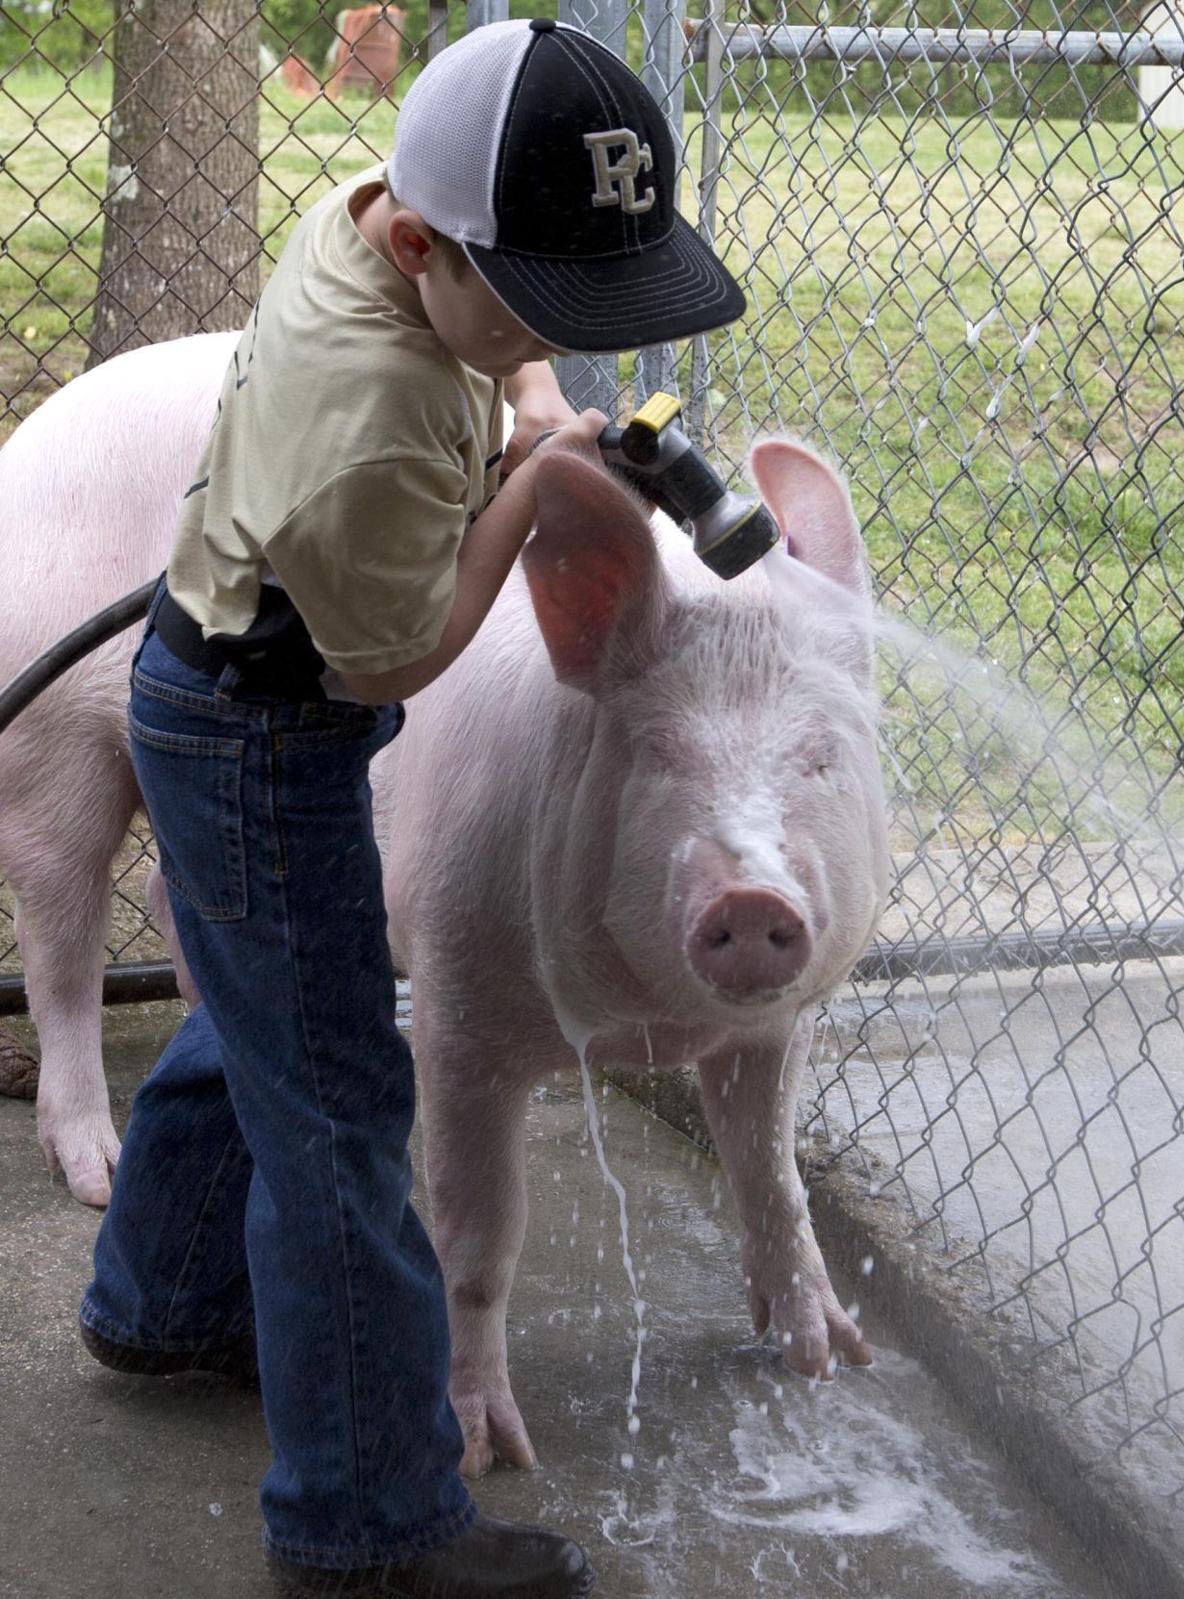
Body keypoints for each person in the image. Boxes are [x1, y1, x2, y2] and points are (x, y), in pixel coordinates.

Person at [78, 17, 747, 1598]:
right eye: (538, 307)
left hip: (238, 692)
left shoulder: (387, 217)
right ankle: (365, 1518)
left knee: (265, 1015)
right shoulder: (364, 424)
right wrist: (534, 482)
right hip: (266, 725)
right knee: (338, 1114)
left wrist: (529, 392)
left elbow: (502, 328)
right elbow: (412, 648)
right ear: (419, 242)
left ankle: (164, 1304)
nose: (558, 338)